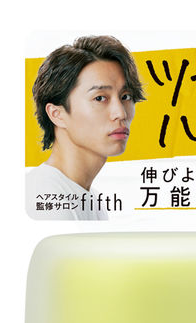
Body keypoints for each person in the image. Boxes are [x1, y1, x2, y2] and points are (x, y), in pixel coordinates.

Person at [27, 35, 145, 220]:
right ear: (57, 114)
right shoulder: (45, 195)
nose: (121, 113)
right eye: (100, 98)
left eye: (126, 97)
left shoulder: (91, 199)